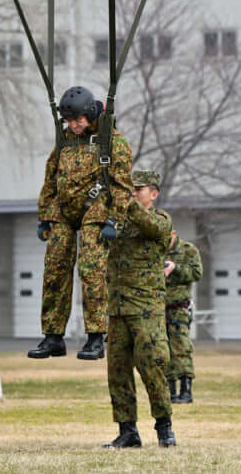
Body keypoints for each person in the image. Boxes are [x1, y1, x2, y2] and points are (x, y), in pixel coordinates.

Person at [28, 86, 133, 361]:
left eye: (78, 120)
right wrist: (45, 215)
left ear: (89, 115)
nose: (74, 126)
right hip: (63, 211)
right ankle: (53, 336)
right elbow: (51, 178)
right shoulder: (64, 140)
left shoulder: (112, 141)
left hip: (96, 211)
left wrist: (115, 219)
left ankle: (96, 337)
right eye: (70, 121)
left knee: (91, 270)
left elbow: (122, 185)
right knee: (55, 268)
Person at [104, 170, 176, 449]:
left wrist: (123, 197)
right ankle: (128, 431)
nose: (133, 193)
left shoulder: (160, 220)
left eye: (139, 189)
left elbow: (151, 226)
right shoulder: (120, 222)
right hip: (118, 307)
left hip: (146, 307)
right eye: (130, 189)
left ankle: (164, 427)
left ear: (153, 194)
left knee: (153, 367)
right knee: (118, 371)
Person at [164, 231, 203, 403]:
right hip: (158, 308)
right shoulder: (155, 250)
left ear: (173, 233)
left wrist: (175, 268)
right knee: (163, 350)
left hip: (179, 307)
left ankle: (186, 390)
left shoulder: (188, 250)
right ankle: (170, 391)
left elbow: (197, 273)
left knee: (181, 348)